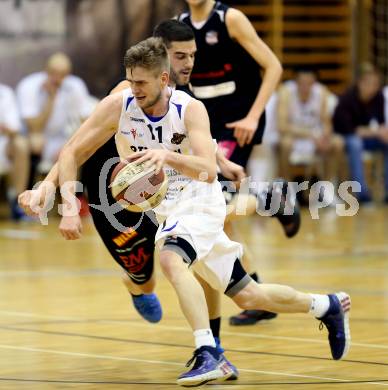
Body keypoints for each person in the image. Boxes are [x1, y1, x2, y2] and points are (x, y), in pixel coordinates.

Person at [32, 37, 349, 387]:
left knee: (170, 259)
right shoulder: (119, 105)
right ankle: (326, 305)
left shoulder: (189, 109)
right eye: (130, 80)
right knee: (248, 295)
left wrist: (166, 156)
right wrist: (66, 204)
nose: (133, 88)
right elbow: (72, 150)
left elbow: (207, 170)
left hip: (200, 200)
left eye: (141, 82)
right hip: (167, 210)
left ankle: (208, 352)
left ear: (163, 79)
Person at [178, 0, 300, 326]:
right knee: (219, 215)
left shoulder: (230, 19)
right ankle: (257, 294)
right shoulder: (179, 25)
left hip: (237, 124)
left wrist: (254, 115)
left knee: (216, 207)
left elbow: (273, 66)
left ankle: (269, 199)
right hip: (207, 127)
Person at [16, 52, 94, 185]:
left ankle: (76, 196)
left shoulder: (76, 85)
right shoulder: (29, 86)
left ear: (68, 74)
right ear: (45, 69)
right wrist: (51, 99)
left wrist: (70, 144)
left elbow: (84, 119)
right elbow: (34, 127)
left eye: (62, 74)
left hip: (61, 137)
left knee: (84, 145)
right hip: (34, 135)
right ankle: (29, 189)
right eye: (53, 72)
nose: (57, 78)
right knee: (36, 141)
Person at [333, 63, 388, 203]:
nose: (373, 87)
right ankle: (362, 193)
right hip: (345, 137)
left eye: (375, 84)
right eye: (369, 83)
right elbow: (351, 130)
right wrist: (376, 132)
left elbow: (380, 122)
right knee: (355, 143)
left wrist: (382, 132)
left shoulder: (378, 97)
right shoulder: (347, 99)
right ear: (360, 83)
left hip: (368, 137)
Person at [278, 69, 343, 185]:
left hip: (316, 137)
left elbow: (327, 122)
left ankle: (328, 187)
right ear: (295, 82)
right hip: (295, 136)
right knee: (285, 144)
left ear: (314, 83)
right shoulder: (286, 92)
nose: (305, 86)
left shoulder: (322, 92)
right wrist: (311, 135)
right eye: (302, 83)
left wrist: (324, 137)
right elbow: (282, 126)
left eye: (309, 83)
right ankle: (287, 186)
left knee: (337, 143)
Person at [0, 82, 30, 220]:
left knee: (21, 145)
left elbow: (14, 128)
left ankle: (17, 203)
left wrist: (6, 128)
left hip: (3, 143)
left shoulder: (5, 93)